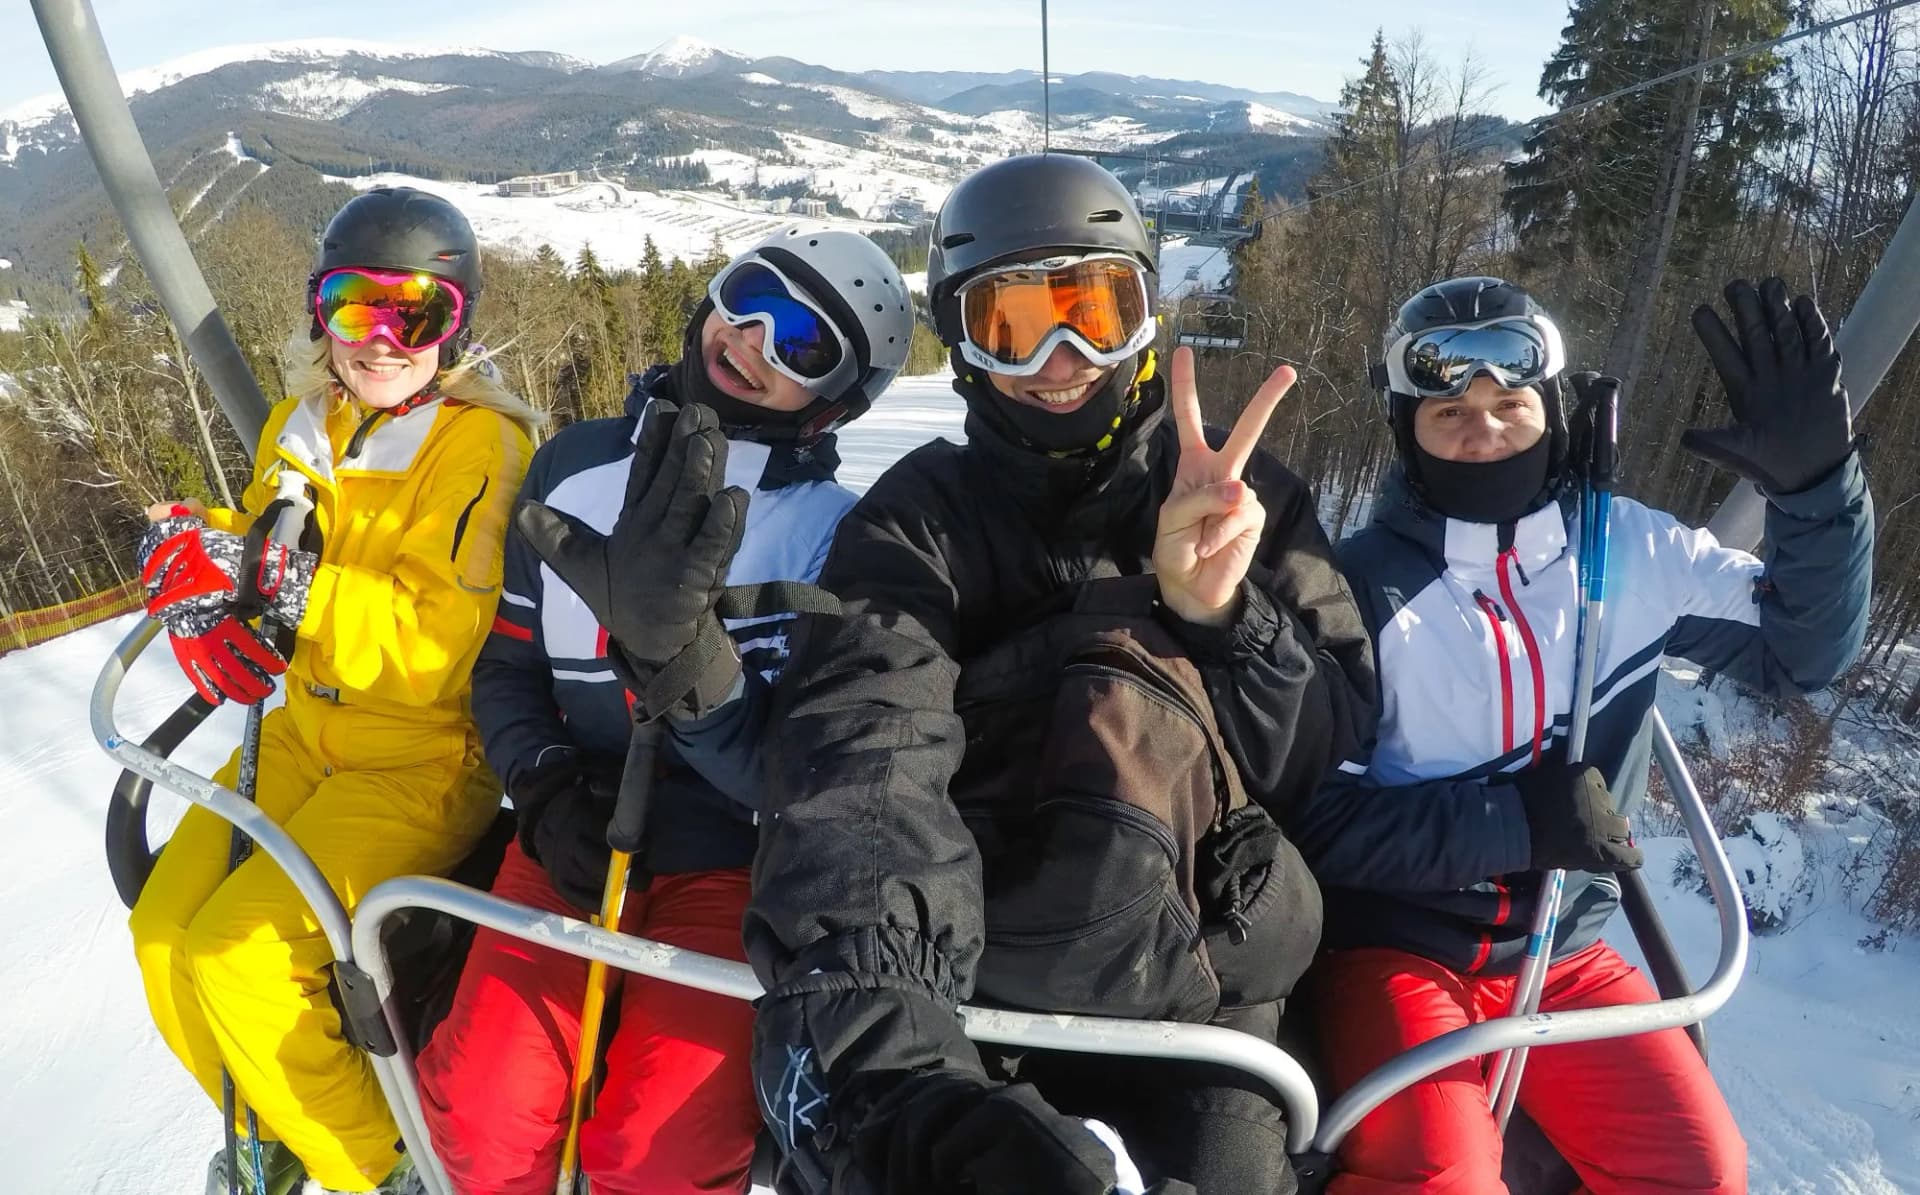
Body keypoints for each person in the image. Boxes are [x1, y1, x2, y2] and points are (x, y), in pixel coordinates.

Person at [741, 154, 1376, 1195]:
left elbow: (1321, 750)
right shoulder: (916, 526)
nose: (1058, 357)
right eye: (1011, 323)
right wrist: (892, 1068)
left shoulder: (1239, 495)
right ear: (962, 342)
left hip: (1207, 987)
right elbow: (865, 766)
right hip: (981, 979)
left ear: (1144, 315)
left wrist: (1221, 614)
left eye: (1092, 308)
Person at [1293, 275, 1874, 1193]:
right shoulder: (1357, 594)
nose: (1482, 429)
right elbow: (1319, 827)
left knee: (1700, 1169)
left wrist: (1816, 493)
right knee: (1435, 1173)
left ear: (1554, 413)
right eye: (1448, 410)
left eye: (1511, 403)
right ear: (1406, 430)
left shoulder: (1631, 552)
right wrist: (1515, 823)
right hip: (1403, 949)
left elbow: (1805, 648)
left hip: (1564, 949)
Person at [413, 226, 914, 1195]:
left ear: (836, 403)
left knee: (659, 1154)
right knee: (479, 1114)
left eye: (803, 345)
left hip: (735, 863)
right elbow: (508, 671)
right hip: (573, 837)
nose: (754, 339)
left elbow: (803, 769)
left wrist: (693, 674)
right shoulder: (571, 468)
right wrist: (544, 782)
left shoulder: (833, 540)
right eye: (749, 295)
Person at [128, 186, 538, 1195]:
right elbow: (273, 545)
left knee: (242, 956)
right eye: (358, 307)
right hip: (305, 733)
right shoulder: (301, 424)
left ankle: (379, 1166)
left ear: (460, 321)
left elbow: (435, 643)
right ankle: (272, 1125)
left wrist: (279, 584)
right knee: (164, 933)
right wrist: (195, 564)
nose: (384, 341)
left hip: (419, 762)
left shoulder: (479, 449)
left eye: (421, 313)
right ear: (322, 313)